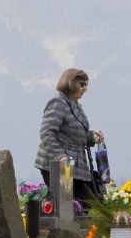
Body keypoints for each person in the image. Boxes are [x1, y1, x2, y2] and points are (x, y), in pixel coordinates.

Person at [34, 68, 104, 203]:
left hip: (76, 165)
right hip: (58, 165)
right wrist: (60, 156)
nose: (84, 88)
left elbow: (74, 133)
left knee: (87, 205)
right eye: (81, 84)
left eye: (86, 84)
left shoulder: (75, 104)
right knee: (70, 206)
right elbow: (47, 132)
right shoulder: (58, 102)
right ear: (70, 83)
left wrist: (91, 136)